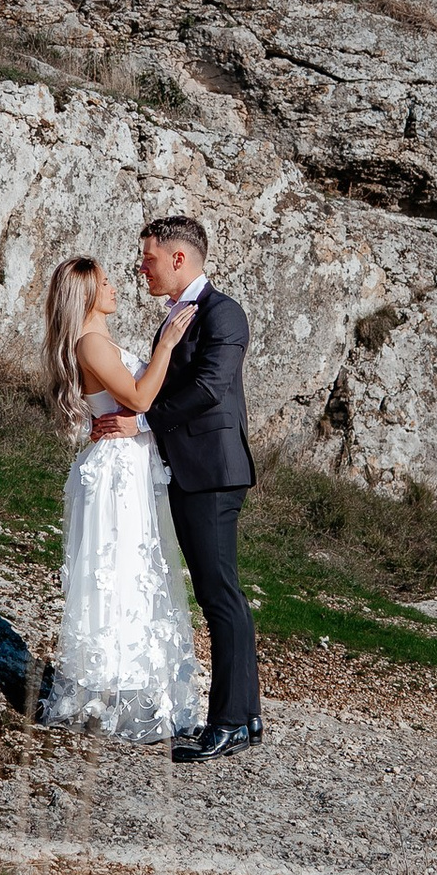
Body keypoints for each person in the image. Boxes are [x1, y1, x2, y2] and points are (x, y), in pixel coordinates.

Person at [39, 253, 207, 742]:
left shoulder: (99, 340)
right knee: (116, 569)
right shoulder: (91, 342)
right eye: (106, 283)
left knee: (133, 568)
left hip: (127, 463)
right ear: (88, 294)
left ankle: (128, 683)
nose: (116, 288)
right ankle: (109, 688)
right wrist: (168, 346)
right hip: (115, 470)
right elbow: (137, 400)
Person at [135, 213, 261, 765]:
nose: (143, 267)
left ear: (178, 258)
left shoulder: (223, 312)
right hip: (189, 469)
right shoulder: (176, 315)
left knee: (219, 595)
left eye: (149, 257)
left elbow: (211, 387)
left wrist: (142, 421)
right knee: (221, 593)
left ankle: (231, 722)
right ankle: (247, 717)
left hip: (212, 472)